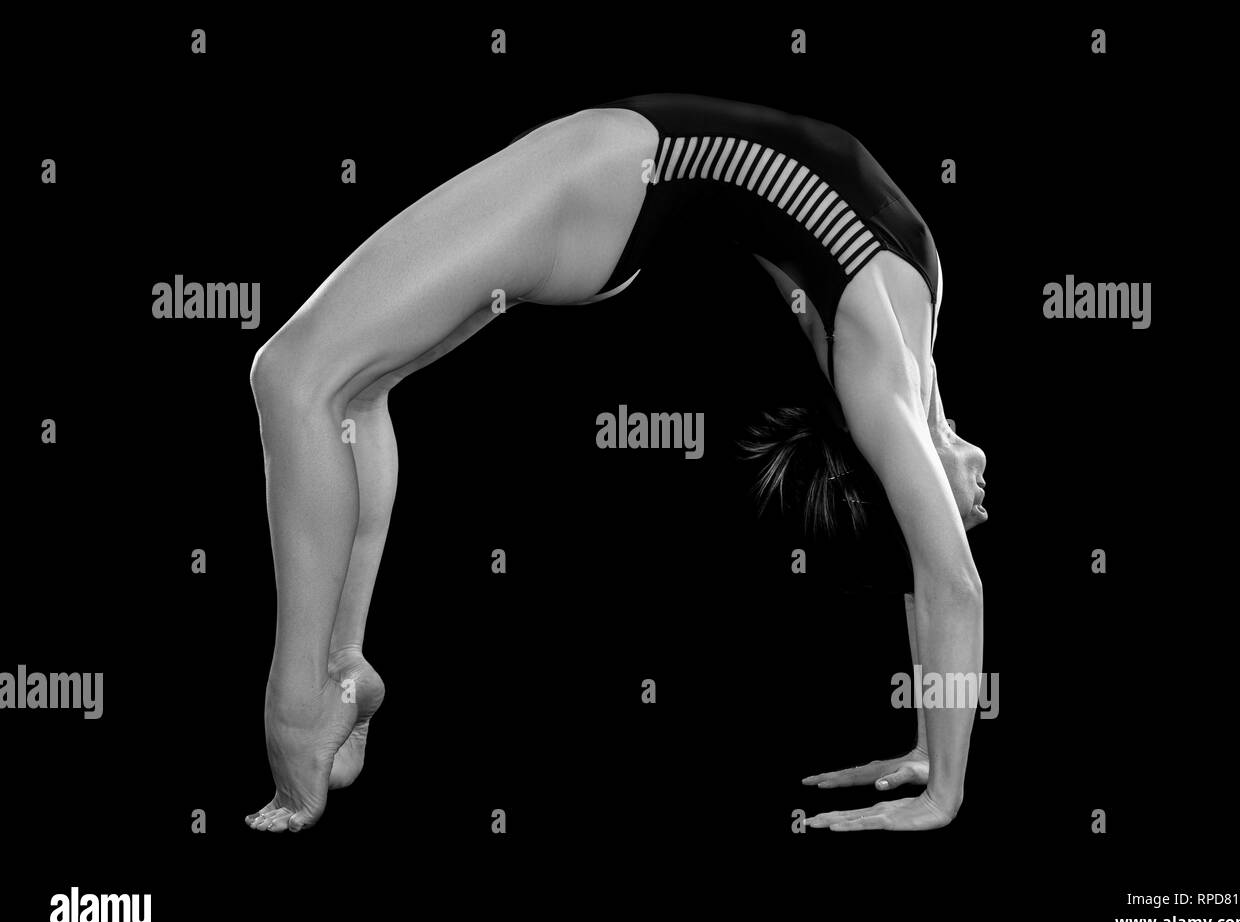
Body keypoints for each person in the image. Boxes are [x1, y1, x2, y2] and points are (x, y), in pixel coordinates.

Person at [245, 93, 987, 833]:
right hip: (615, 179)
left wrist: (943, 792)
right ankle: (343, 673)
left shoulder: (875, 372)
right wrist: (926, 746)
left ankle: (295, 712)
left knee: (293, 375)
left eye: (946, 512)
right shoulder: (913, 325)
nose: (978, 506)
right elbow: (926, 569)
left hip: (602, 179)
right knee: (357, 389)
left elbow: (948, 578)